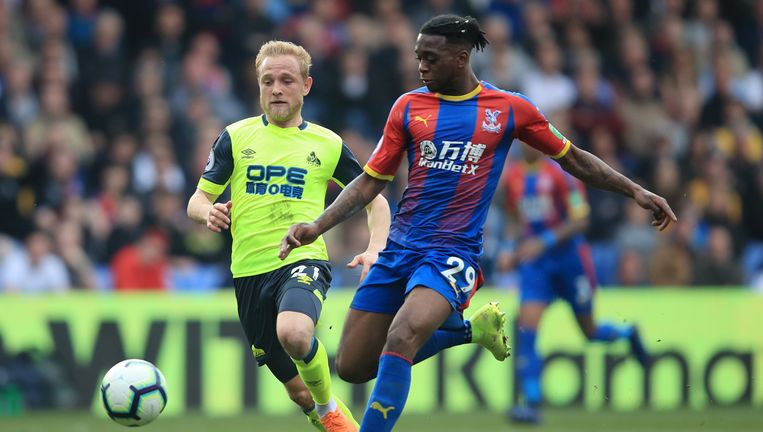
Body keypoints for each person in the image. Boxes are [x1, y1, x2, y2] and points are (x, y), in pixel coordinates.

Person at [280, 15, 676, 432]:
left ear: (461, 58)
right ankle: (471, 331)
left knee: (401, 337)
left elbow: (573, 157)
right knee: (353, 366)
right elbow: (368, 183)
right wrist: (317, 226)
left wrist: (636, 191)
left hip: (453, 253)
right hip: (400, 248)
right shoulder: (408, 107)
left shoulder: (509, 109)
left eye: (430, 58)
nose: (421, 67)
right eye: (418, 58)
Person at [187, 40, 391, 432]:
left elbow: (375, 200)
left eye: (286, 80)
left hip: (301, 259)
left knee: (295, 334)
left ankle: (330, 408)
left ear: (306, 85)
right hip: (248, 272)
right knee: (299, 394)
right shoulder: (234, 137)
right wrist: (206, 212)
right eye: (268, 81)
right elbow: (197, 199)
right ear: (258, 86)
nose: (276, 88)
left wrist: (375, 248)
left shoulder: (327, 144)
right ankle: (332, 417)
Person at [497, 143, 649, 424]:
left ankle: (627, 334)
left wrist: (544, 241)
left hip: (570, 262)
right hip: (537, 266)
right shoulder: (514, 177)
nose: (524, 143)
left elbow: (581, 219)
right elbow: (515, 220)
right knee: (526, 328)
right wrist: (509, 246)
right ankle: (530, 403)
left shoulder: (561, 175)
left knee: (590, 332)